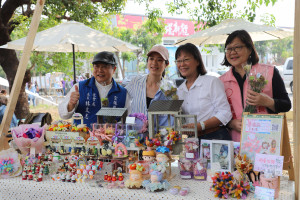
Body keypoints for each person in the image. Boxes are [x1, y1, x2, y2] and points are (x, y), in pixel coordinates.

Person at [219, 30, 291, 142]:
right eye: (229, 49)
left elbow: (286, 105)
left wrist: (267, 101)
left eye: (237, 47)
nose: (232, 52)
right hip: (235, 141)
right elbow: (216, 113)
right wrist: (230, 123)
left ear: (249, 49)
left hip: (265, 140)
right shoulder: (221, 81)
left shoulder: (269, 72)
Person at [58, 51, 130, 128]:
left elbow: (129, 118)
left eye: (104, 66)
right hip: (83, 137)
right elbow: (63, 115)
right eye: (96, 66)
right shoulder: (79, 87)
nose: (100, 70)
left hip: (111, 138)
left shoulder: (123, 93)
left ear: (114, 69)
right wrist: (71, 104)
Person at [175, 43, 232, 140]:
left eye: (186, 59)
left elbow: (225, 113)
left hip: (215, 137)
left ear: (197, 61)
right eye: (179, 61)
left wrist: (201, 125)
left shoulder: (211, 82)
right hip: (192, 140)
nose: (182, 64)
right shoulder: (179, 90)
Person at [125, 45, 172, 127]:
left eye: (159, 60)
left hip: (160, 137)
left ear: (166, 64)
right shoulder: (135, 82)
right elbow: (121, 98)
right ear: (147, 61)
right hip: (136, 137)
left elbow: (174, 116)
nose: (154, 63)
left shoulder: (170, 89)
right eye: (151, 59)